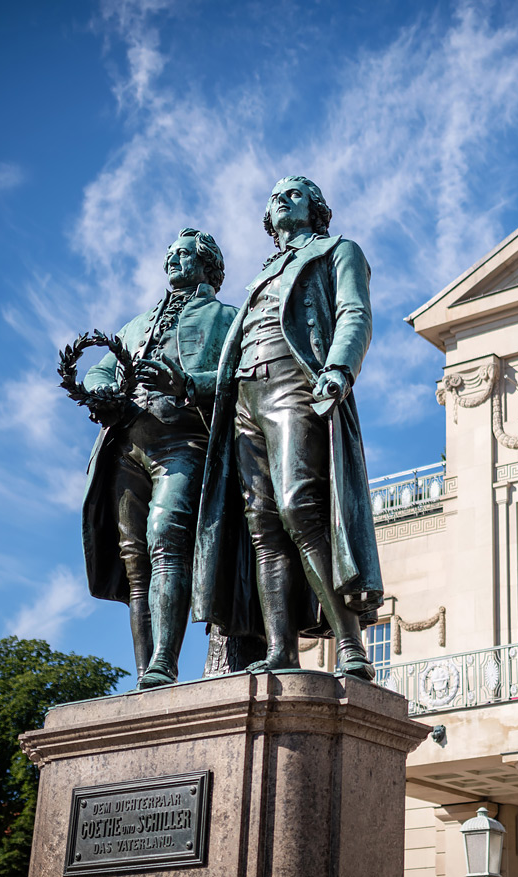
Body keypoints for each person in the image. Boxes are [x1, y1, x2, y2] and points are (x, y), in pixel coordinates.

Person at [193, 176, 382, 680]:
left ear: (316, 208)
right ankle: (281, 649)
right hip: (244, 398)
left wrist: (339, 368)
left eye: (294, 193)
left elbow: (354, 313)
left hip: (293, 383)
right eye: (275, 196)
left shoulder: (338, 250)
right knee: (263, 524)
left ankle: (350, 646)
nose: (281, 199)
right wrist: (188, 382)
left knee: (300, 506)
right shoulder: (261, 276)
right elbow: (235, 351)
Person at [81, 228, 239, 688]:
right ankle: (146, 673)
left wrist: (188, 384)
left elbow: (238, 376)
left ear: (207, 264)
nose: (173, 260)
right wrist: (101, 391)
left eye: (183, 254)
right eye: (169, 254)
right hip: (125, 446)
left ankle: (164, 663)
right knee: (135, 560)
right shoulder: (135, 326)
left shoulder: (228, 318)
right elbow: (100, 370)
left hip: (184, 441)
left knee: (166, 536)